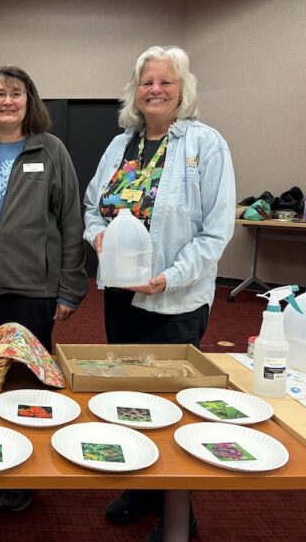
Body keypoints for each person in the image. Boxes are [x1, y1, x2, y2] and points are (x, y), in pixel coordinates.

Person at [83, 45, 236, 542]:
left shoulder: (204, 144)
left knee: (171, 403)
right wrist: (98, 236)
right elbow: (92, 206)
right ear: (135, 90)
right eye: (147, 81)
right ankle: (143, 487)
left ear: (181, 89)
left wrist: (168, 277)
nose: (155, 90)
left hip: (175, 298)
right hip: (120, 295)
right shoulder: (120, 146)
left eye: (165, 82)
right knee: (127, 394)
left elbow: (215, 232)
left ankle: (179, 512)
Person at [0, 65, 88, 512]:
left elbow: (71, 221)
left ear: (29, 100)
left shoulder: (51, 152)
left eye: (15, 93)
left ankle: (23, 470)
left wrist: (70, 288)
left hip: (32, 288)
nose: (7, 101)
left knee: (27, 381)